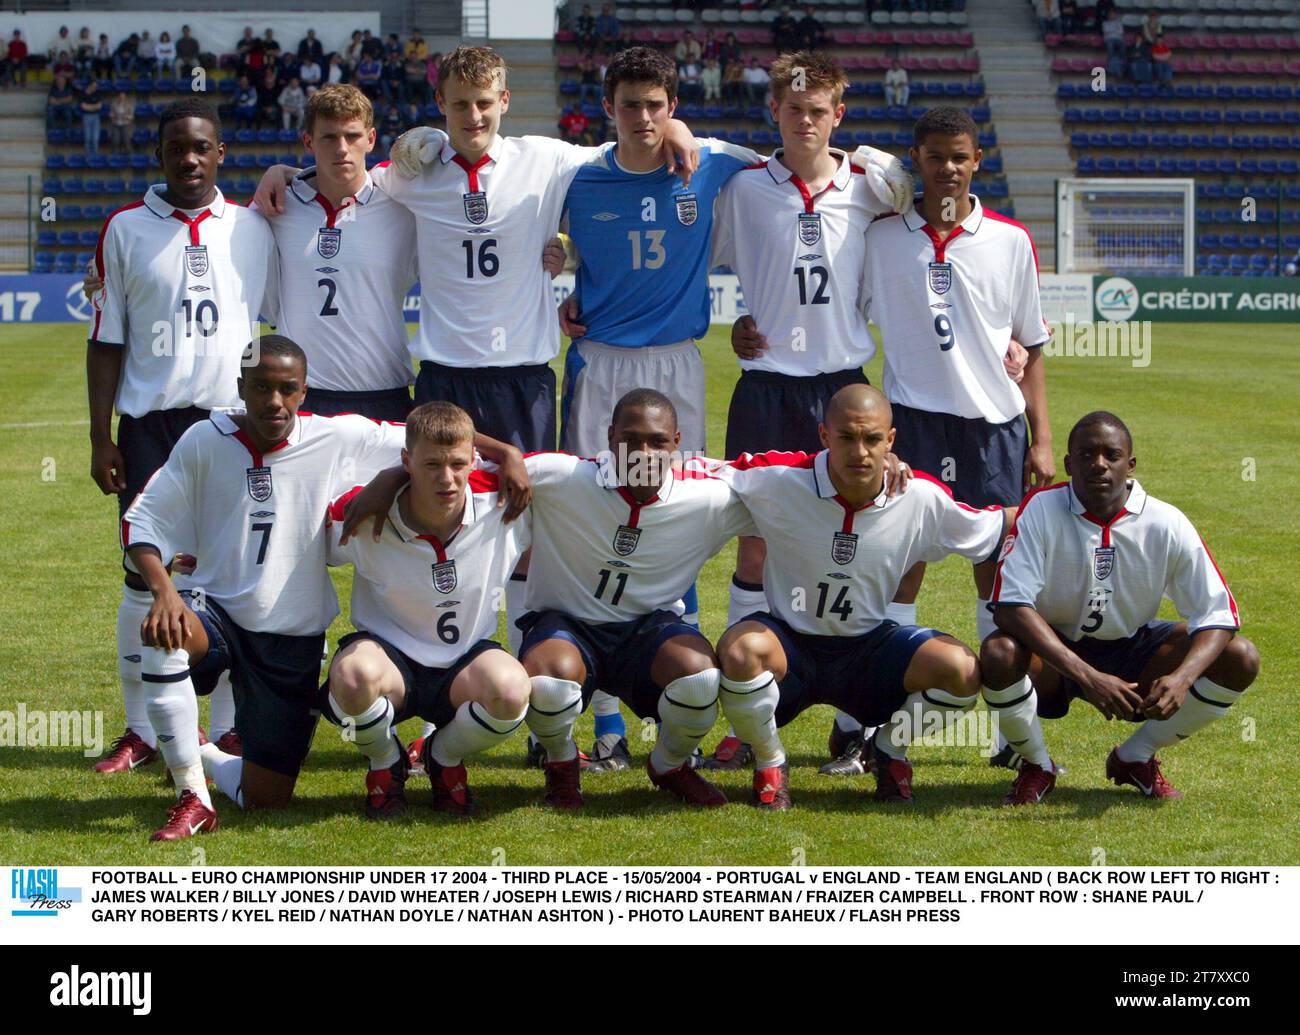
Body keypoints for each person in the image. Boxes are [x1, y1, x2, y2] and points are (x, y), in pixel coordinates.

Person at [813, 106, 1050, 774]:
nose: (948, 168)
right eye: (936, 156)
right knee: (895, 568)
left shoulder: (1009, 240)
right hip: (912, 426)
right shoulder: (882, 236)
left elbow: (1031, 346)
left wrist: (1040, 439)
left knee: (997, 579)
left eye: (961, 157)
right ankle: (858, 722)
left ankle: (1013, 729)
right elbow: (842, 311)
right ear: (915, 158)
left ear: (978, 161)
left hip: (994, 432)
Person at [705, 53, 913, 771]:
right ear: (774, 112)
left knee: (859, 543)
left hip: (844, 388)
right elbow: (696, 260)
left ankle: (856, 717)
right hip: (766, 383)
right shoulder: (743, 190)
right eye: (792, 109)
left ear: (838, 116)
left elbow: (935, 238)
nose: (804, 121)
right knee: (756, 545)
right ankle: (742, 715)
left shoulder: (872, 188)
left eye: (817, 110)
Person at [121, 337, 412, 839]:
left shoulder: (337, 436)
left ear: (304, 392)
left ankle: (201, 754)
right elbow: (140, 522)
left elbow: (433, 439)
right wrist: (164, 590)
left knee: (267, 800)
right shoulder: (202, 439)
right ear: (240, 388)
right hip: (213, 614)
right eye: (260, 388)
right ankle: (193, 798)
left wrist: (390, 478)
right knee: (164, 635)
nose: (273, 401)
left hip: (290, 635)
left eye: (287, 389)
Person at [86, 99, 277, 776]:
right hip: (150, 428)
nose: (189, 160)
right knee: (144, 580)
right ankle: (141, 729)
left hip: (229, 423)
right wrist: (99, 436)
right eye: (176, 149)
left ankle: (225, 729)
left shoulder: (253, 228)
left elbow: (276, 325)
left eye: (201, 148)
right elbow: (106, 341)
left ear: (220, 152)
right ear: (159, 156)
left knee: (224, 580)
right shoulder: (125, 228)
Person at [711, 384, 1010, 808]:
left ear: (891, 441)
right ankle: (770, 759)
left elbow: (992, 527)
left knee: (959, 670)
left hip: (868, 650)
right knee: (739, 652)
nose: (860, 452)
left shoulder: (919, 495)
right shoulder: (779, 480)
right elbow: (700, 474)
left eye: (872, 439)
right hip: (790, 647)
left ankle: (889, 749)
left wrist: (1078, 508)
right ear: (823, 436)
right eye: (847, 438)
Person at [983, 412, 1258, 802]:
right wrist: (1088, 675)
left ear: (1130, 465)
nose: (1099, 464)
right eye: (1086, 454)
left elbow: (1219, 614)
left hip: (1132, 648)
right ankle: (1036, 765)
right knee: (999, 652)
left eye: (1111, 455)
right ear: (1068, 463)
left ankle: (1135, 756)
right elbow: (1010, 605)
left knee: (1240, 656)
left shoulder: (1167, 522)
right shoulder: (1041, 508)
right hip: (1056, 651)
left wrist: (1181, 678)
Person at [325, 401, 533, 817]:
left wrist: (511, 453)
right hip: (388, 659)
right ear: (405, 462)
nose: (447, 478)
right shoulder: (362, 511)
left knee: (512, 690)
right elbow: (303, 548)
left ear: (474, 458)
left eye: (458, 464)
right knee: (350, 677)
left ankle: (444, 756)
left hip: (464, 664)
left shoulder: (505, 496)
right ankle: (385, 763)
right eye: (431, 464)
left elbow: (585, 476)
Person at [80, 80, 104, 155]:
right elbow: (83, 107)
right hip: (86, 117)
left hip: (96, 117)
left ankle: (95, 156)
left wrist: (89, 107)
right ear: (89, 86)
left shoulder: (97, 93)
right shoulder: (83, 94)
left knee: (95, 139)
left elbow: (99, 106)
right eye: (93, 86)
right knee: (88, 138)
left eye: (96, 86)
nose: (95, 88)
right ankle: (88, 155)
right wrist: (94, 107)